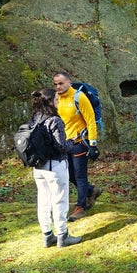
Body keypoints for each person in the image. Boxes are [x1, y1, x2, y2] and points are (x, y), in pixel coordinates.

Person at [29, 87, 82, 248]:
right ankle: (62, 235)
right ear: (51, 102)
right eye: (57, 100)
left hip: (38, 167)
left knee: (43, 201)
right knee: (59, 201)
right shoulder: (55, 120)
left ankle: (47, 235)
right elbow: (62, 146)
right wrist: (74, 140)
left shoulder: (35, 118)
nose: (59, 102)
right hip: (55, 166)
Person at [53, 72, 102, 221]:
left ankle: (81, 207)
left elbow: (91, 120)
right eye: (55, 84)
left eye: (61, 83)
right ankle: (91, 190)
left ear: (69, 82)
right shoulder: (56, 98)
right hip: (64, 144)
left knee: (80, 176)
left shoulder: (79, 97)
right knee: (68, 175)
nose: (58, 87)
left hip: (80, 143)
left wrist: (93, 144)